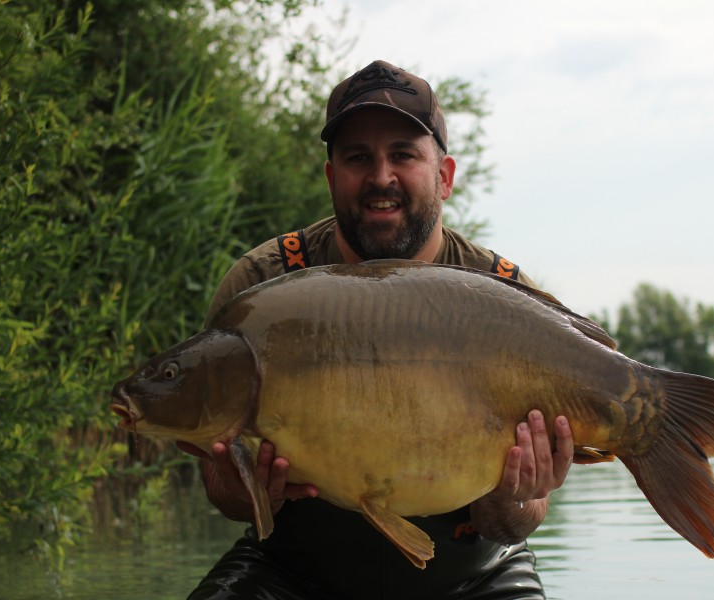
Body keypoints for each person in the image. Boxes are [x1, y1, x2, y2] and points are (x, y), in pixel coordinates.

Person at [182, 60, 574, 600]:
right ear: (330, 177)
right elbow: (224, 497)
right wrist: (241, 487)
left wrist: (517, 494)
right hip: (293, 575)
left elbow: (516, 522)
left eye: (403, 154)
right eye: (358, 157)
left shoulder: (504, 297)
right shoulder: (261, 289)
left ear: (444, 175)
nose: (381, 176)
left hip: (473, 576)